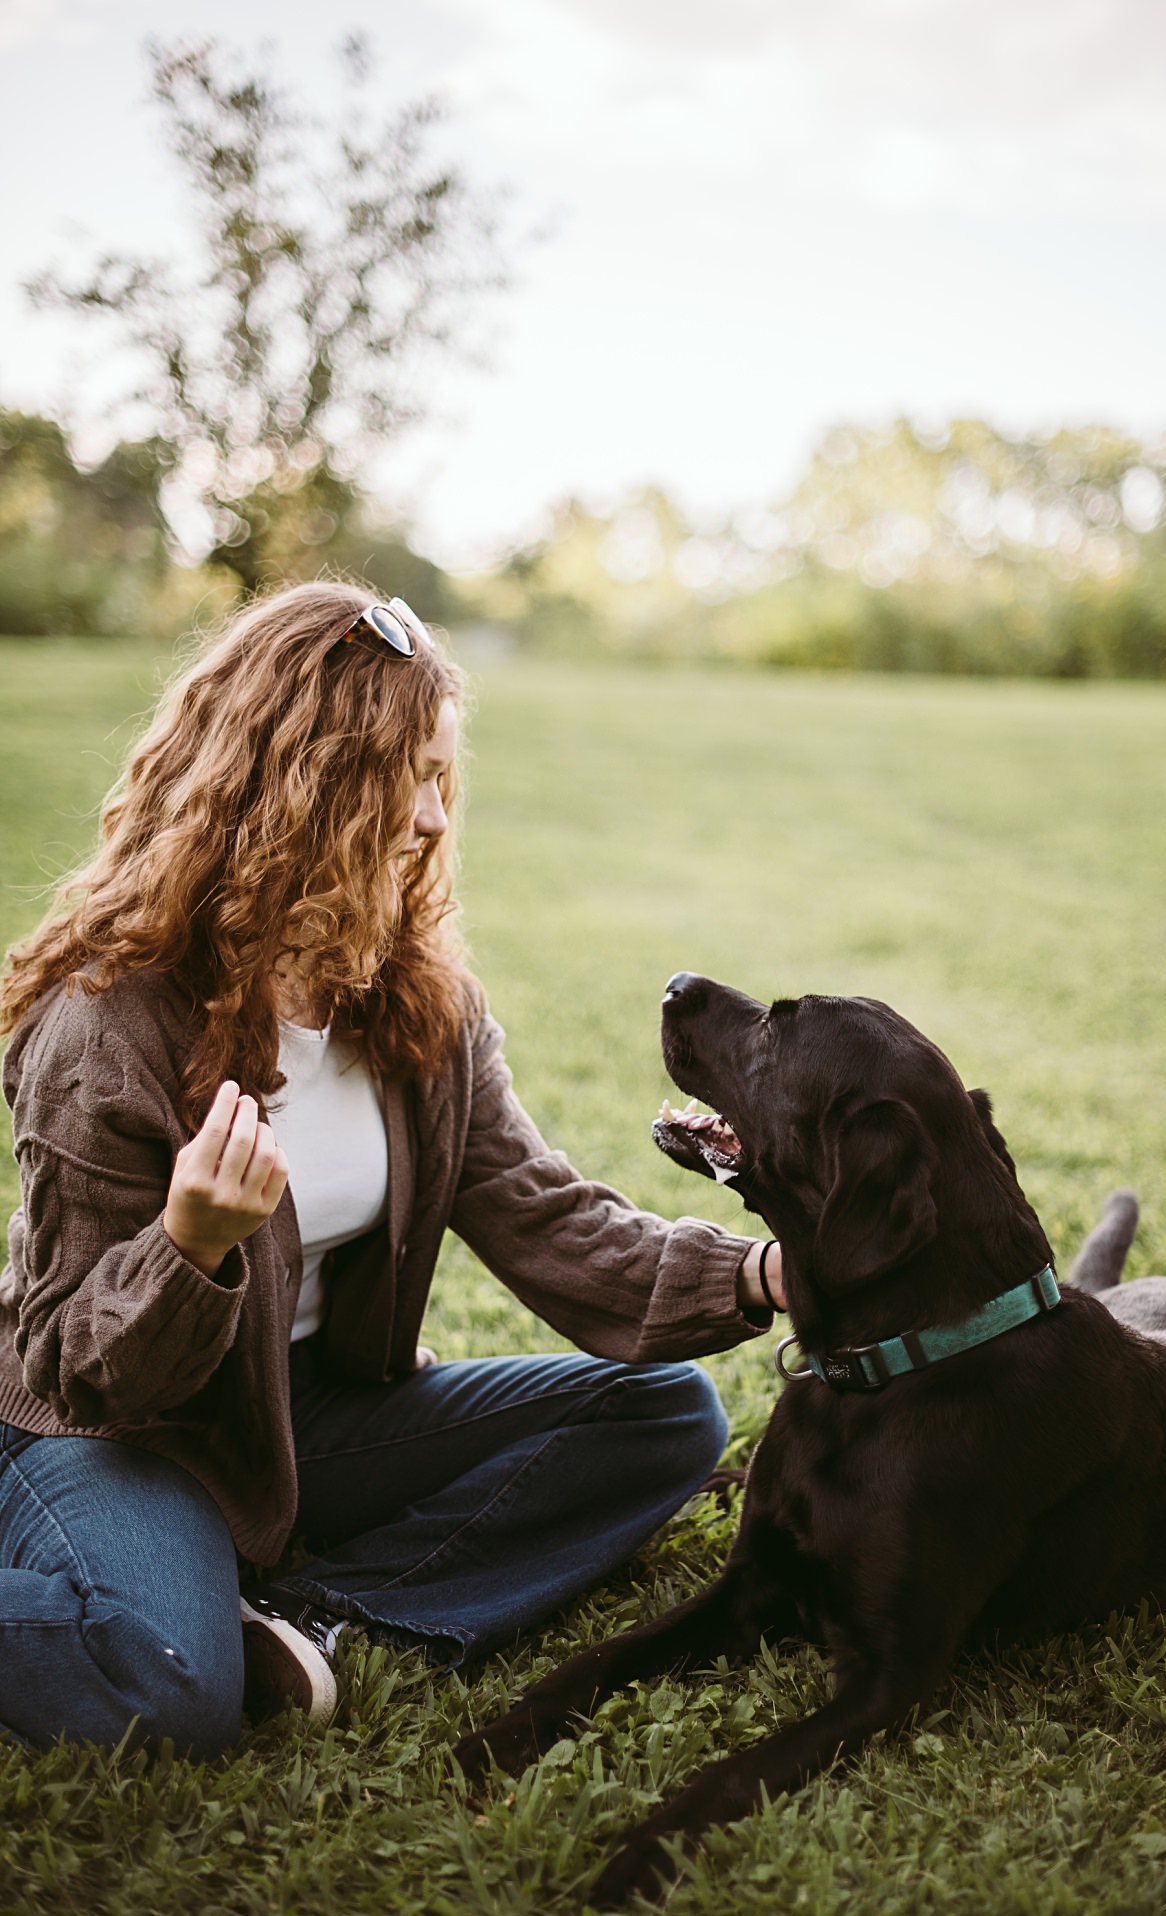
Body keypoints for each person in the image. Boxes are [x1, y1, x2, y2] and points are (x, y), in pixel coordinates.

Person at [0, 583, 786, 1758]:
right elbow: (78, 1368)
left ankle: (324, 1612)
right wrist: (189, 1247)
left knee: (662, 1409)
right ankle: (162, 1602)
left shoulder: (413, 997)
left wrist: (765, 1273)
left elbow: (543, 1214)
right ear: (300, 785)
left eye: (439, 779)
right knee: (164, 1687)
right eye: (401, 780)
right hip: (120, 1436)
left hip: (303, 1414)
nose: (429, 817)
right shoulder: (107, 1021)